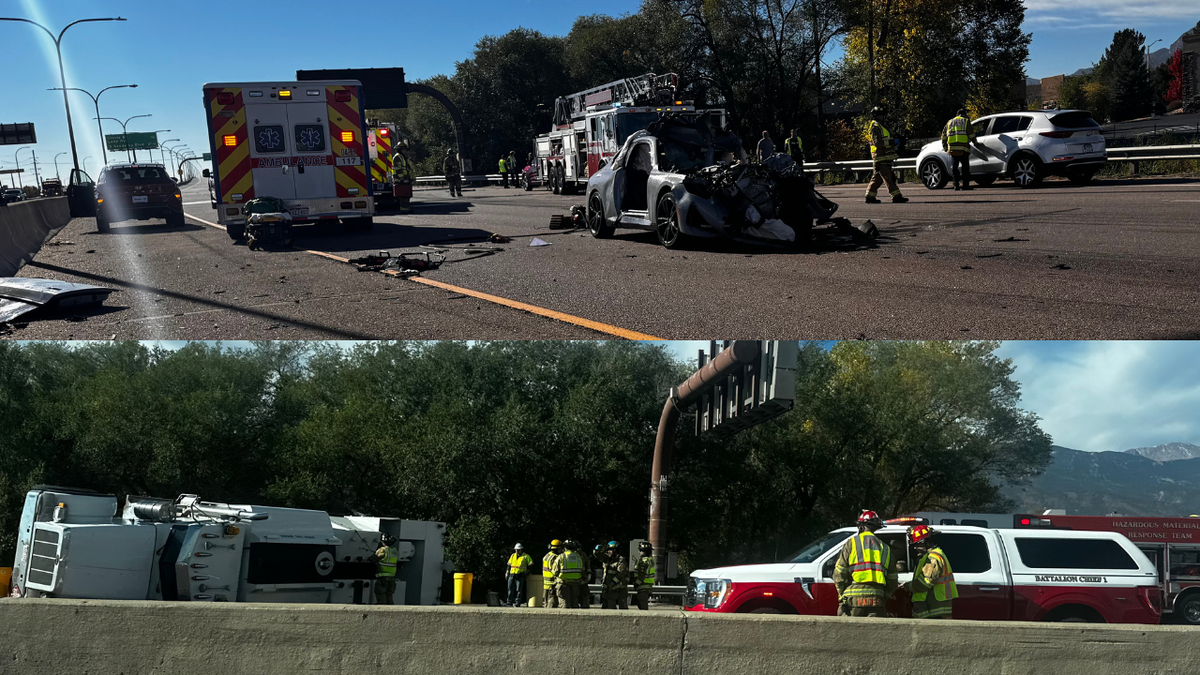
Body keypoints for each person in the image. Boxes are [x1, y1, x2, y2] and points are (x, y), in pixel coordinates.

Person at [833, 510, 898, 617]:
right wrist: (883, 596)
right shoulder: (885, 548)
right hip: (877, 599)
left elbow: (839, 572)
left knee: (849, 631)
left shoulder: (852, 543)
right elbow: (892, 579)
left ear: (861, 527)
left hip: (853, 599)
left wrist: (842, 594)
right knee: (875, 633)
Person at [906, 525, 957, 619]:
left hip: (933, 609)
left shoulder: (932, 558)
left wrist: (907, 586)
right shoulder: (929, 556)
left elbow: (925, 583)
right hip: (933, 606)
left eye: (918, 545)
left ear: (925, 542)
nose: (916, 548)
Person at [864, 107, 908, 204]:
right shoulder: (875, 127)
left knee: (878, 178)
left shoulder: (881, 125)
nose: (883, 116)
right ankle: (896, 196)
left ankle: (870, 196)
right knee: (889, 177)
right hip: (881, 156)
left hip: (884, 156)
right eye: (881, 114)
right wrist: (892, 142)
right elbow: (877, 142)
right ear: (876, 115)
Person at [941, 108, 976, 191]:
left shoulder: (949, 122)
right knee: (965, 168)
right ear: (963, 114)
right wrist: (975, 142)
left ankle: (956, 185)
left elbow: (943, 136)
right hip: (963, 148)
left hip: (953, 149)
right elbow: (971, 134)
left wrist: (945, 147)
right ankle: (965, 185)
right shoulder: (965, 121)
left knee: (955, 167)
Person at [552, 540, 586, 608]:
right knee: (574, 602)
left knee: (564, 601)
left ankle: (565, 617)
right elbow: (582, 569)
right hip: (575, 583)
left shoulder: (561, 556)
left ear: (564, 548)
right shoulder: (578, 557)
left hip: (563, 582)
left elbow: (554, 571)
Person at [370, 534, 400, 605]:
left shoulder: (383, 550)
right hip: (392, 578)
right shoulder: (395, 551)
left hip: (382, 577)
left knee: (381, 596)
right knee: (389, 597)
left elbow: (372, 559)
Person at [599, 541, 628, 609]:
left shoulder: (621, 560)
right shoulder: (608, 560)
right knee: (607, 607)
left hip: (619, 589)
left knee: (622, 608)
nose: (608, 552)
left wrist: (612, 583)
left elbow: (620, 574)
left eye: (610, 550)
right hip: (609, 589)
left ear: (615, 551)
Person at [505, 543, 534, 607]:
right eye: (516, 550)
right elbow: (509, 565)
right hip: (512, 574)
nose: (517, 551)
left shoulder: (526, 556)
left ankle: (517, 602)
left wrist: (526, 572)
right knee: (510, 588)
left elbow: (531, 565)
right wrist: (507, 572)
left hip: (520, 575)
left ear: (521, 550)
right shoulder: (513, 555)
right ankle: (509, 601)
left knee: (518, 590)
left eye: (518, 550)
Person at [632, 541, 656, 611]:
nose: (639, 552)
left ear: (645, 551)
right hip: (647, 586)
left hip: (643, 586)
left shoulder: (644, 561)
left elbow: (641, 575)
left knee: (643, 607)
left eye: (641, 551)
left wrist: (636, 583)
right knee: (641, 604)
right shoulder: (650, 560)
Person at [391, 143, 414, 213]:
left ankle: (406, 208)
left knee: (406, 195)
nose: (405, 151)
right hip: (401, 180)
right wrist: (402, 179)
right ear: (400, 149)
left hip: (405, 179)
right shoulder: (398, 157)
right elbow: (398, 169)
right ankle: (404, 209)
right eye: (404, 149)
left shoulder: (402, 156)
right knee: (403, 195)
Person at [542, 540, 562, 608]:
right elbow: (555, 570)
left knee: (545, 602)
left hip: (546, 583)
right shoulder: (555, 557)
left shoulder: (547, 555)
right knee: (552, 602)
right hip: (552, 582)